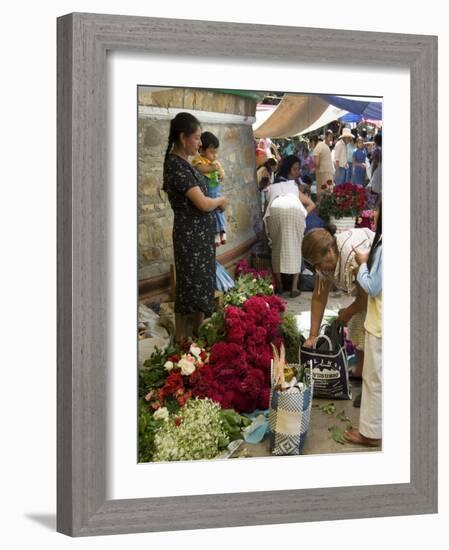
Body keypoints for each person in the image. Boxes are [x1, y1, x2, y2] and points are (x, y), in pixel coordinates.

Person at [163, 113, 228, 344]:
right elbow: (201, 202)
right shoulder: (176, 166)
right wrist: (220, 201)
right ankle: (182, 339)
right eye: (197, 138)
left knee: (202, 282)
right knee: (189, 285)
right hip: (190, 237)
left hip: (200, 236)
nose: (200, 144)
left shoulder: (186, 165)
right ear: (183, 137)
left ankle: (199, 330)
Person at [301, 225, 375, 382]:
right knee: (357, 322)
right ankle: (361, 371)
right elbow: (319, 297)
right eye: (312, 265)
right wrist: (313, 336)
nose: (316, 268)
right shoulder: (324, 263)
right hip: (366, 292)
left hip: (381, 286)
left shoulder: (353, 259)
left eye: (317, 263)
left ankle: (372, 381)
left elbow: (366, 298)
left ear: (329, 251)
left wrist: (345, 315)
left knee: (371, 329)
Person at [345, 202, 382, 447]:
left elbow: (372, 286)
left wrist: (361, 266)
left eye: (378, 209)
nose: (374, 213)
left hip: (381, 322)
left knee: (374, 380)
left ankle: (370, 434)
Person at [264, 155, 315, 297]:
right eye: (295, 169)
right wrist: (302, 214)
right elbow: (311, 204)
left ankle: (280, 286)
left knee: (276, 247)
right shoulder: (292, 186)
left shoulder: (272, 186)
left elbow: (265, 211)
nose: (297, 172)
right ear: (288, 169)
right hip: (294, 209)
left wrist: (264, 234)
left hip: (274, 209)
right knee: (296, 246)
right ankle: (294, 288)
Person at [192, 131, 227, 246]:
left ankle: (223, 230)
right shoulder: (199, 160)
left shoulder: (215, 162)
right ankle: (216, 233)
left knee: (219, 210)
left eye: (216, 152)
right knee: (213, 210)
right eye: (212, 152)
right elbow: (200, 169)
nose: (214, 156)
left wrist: (221, 174)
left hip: (215, 188)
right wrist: (212, 168)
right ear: (201, 150)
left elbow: (222, 172)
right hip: (208, 190)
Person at [312, 132, 334, 202]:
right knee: (329, 190)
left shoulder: (317, 147)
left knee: (322, 191)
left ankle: (321, 208)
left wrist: (313, 168)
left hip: (322, 172)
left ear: (312, 142)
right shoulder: (324, 146)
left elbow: (317, 163)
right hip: (328, 170)